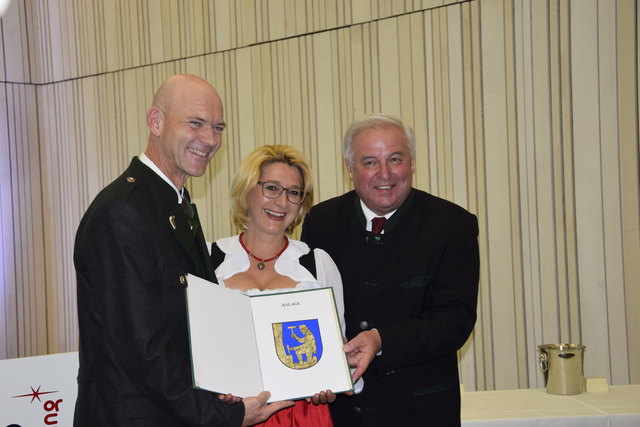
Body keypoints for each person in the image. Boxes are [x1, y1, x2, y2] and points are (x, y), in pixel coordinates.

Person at [73, 74, 293, 426]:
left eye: (218, 127)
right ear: (155, 122)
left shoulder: (176, 205)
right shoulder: (123, 211)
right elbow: (143, 348)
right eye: (196, 123)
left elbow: (192, 327)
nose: (209, 139)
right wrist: (224, 415)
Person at [301, 114, 480, 426]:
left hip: (420, 411)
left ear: (411, 163)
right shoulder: (321, 221)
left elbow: (455, 321)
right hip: (342, 412)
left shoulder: (453, 225)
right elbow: (309, 306)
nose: (384, 173)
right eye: (370, 162)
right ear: (350, 169)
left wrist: (381, 339)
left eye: (395, 159)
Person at [209, 144, 345, 426]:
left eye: (293, 193)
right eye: (271, 188)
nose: (281, 202)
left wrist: (332, 379)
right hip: (229, 416)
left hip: (303, 416)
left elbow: (338, 350)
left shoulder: (317, 264)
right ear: (247, 191)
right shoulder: (208, 259)